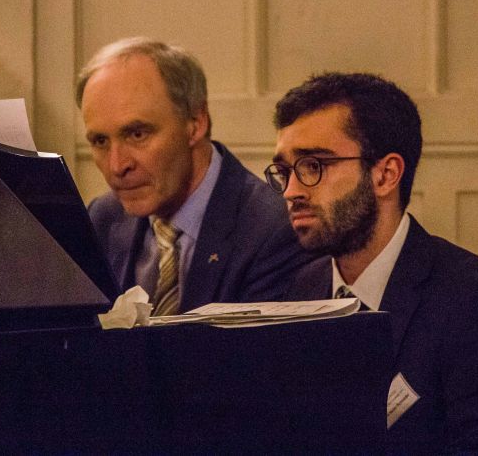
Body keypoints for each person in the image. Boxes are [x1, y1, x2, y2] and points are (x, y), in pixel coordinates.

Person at [268, 72, 478, 454]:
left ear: (386, 175)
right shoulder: (296, 293)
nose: (291, 191)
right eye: (285, 172)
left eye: (313, 165)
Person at [77, 37, 314, 315]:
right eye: (100, 141)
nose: (118, 165)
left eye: (137, 134)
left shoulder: (271, 230)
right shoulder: (102, 218)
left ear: (195, 124)